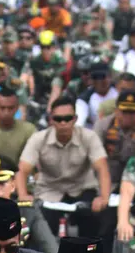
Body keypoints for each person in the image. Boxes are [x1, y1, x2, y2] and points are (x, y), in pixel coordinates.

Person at [16, 96, 112, 238]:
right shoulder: (38, 138)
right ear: (51, 119)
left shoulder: (89, 137)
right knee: (39, 227)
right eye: (58, 119)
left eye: (68, 118)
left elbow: (102, 168)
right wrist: (23, 195)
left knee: (97, 223)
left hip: (82, 188)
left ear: (75, 119)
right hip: (49, 191)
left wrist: (103, 197)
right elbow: (22, 170)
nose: (63, 123)